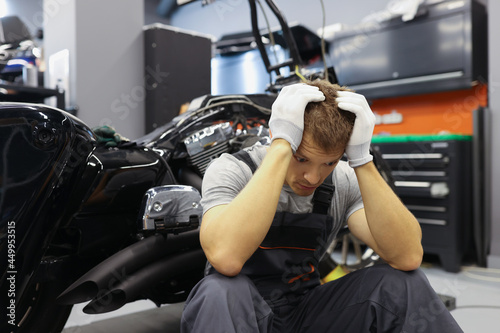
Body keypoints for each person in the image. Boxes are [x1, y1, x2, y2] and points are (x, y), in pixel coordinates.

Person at [180, 80, 463, 332]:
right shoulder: (232, 169)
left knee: (402, 284)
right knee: (221, 290)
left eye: (328, 162)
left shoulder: (343, 179)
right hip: (241, 313)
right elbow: (226, 259)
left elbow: (408, 256)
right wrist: (281, 145)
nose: (313, 178)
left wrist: (362, 159)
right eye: (301, 158)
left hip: (305, 311)